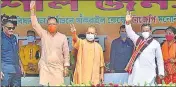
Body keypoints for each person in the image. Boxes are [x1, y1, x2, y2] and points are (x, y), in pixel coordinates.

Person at [30, 1, 70, 86]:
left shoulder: (63, 37)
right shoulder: (43, 34)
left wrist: (66, 66)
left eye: (54, 24)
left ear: (57, 25)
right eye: (50, 24)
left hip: (58, 69)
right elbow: (34, 25)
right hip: (45, 68)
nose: (52, 25)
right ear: (47, 25)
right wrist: (32, 10)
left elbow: (66, 53)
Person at [124, 11, 164, 86]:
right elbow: (130, 32)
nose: (145, 32)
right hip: (137, 71)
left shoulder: (156, 43)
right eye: (143, 31)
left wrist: (161, 72)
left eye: (147, 30)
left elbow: (159, 59)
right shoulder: (138, 40)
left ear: (150, 31)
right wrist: (128, 23)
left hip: (150, 71)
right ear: (141, 31)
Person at [1, 20, 25, 86]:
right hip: (5, 70)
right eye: (9, 28)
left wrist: (21, 67)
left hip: (16, 69)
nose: (11, 30)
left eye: (13, 28)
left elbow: (17, 53)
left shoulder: (14, 37)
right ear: (3, 27)